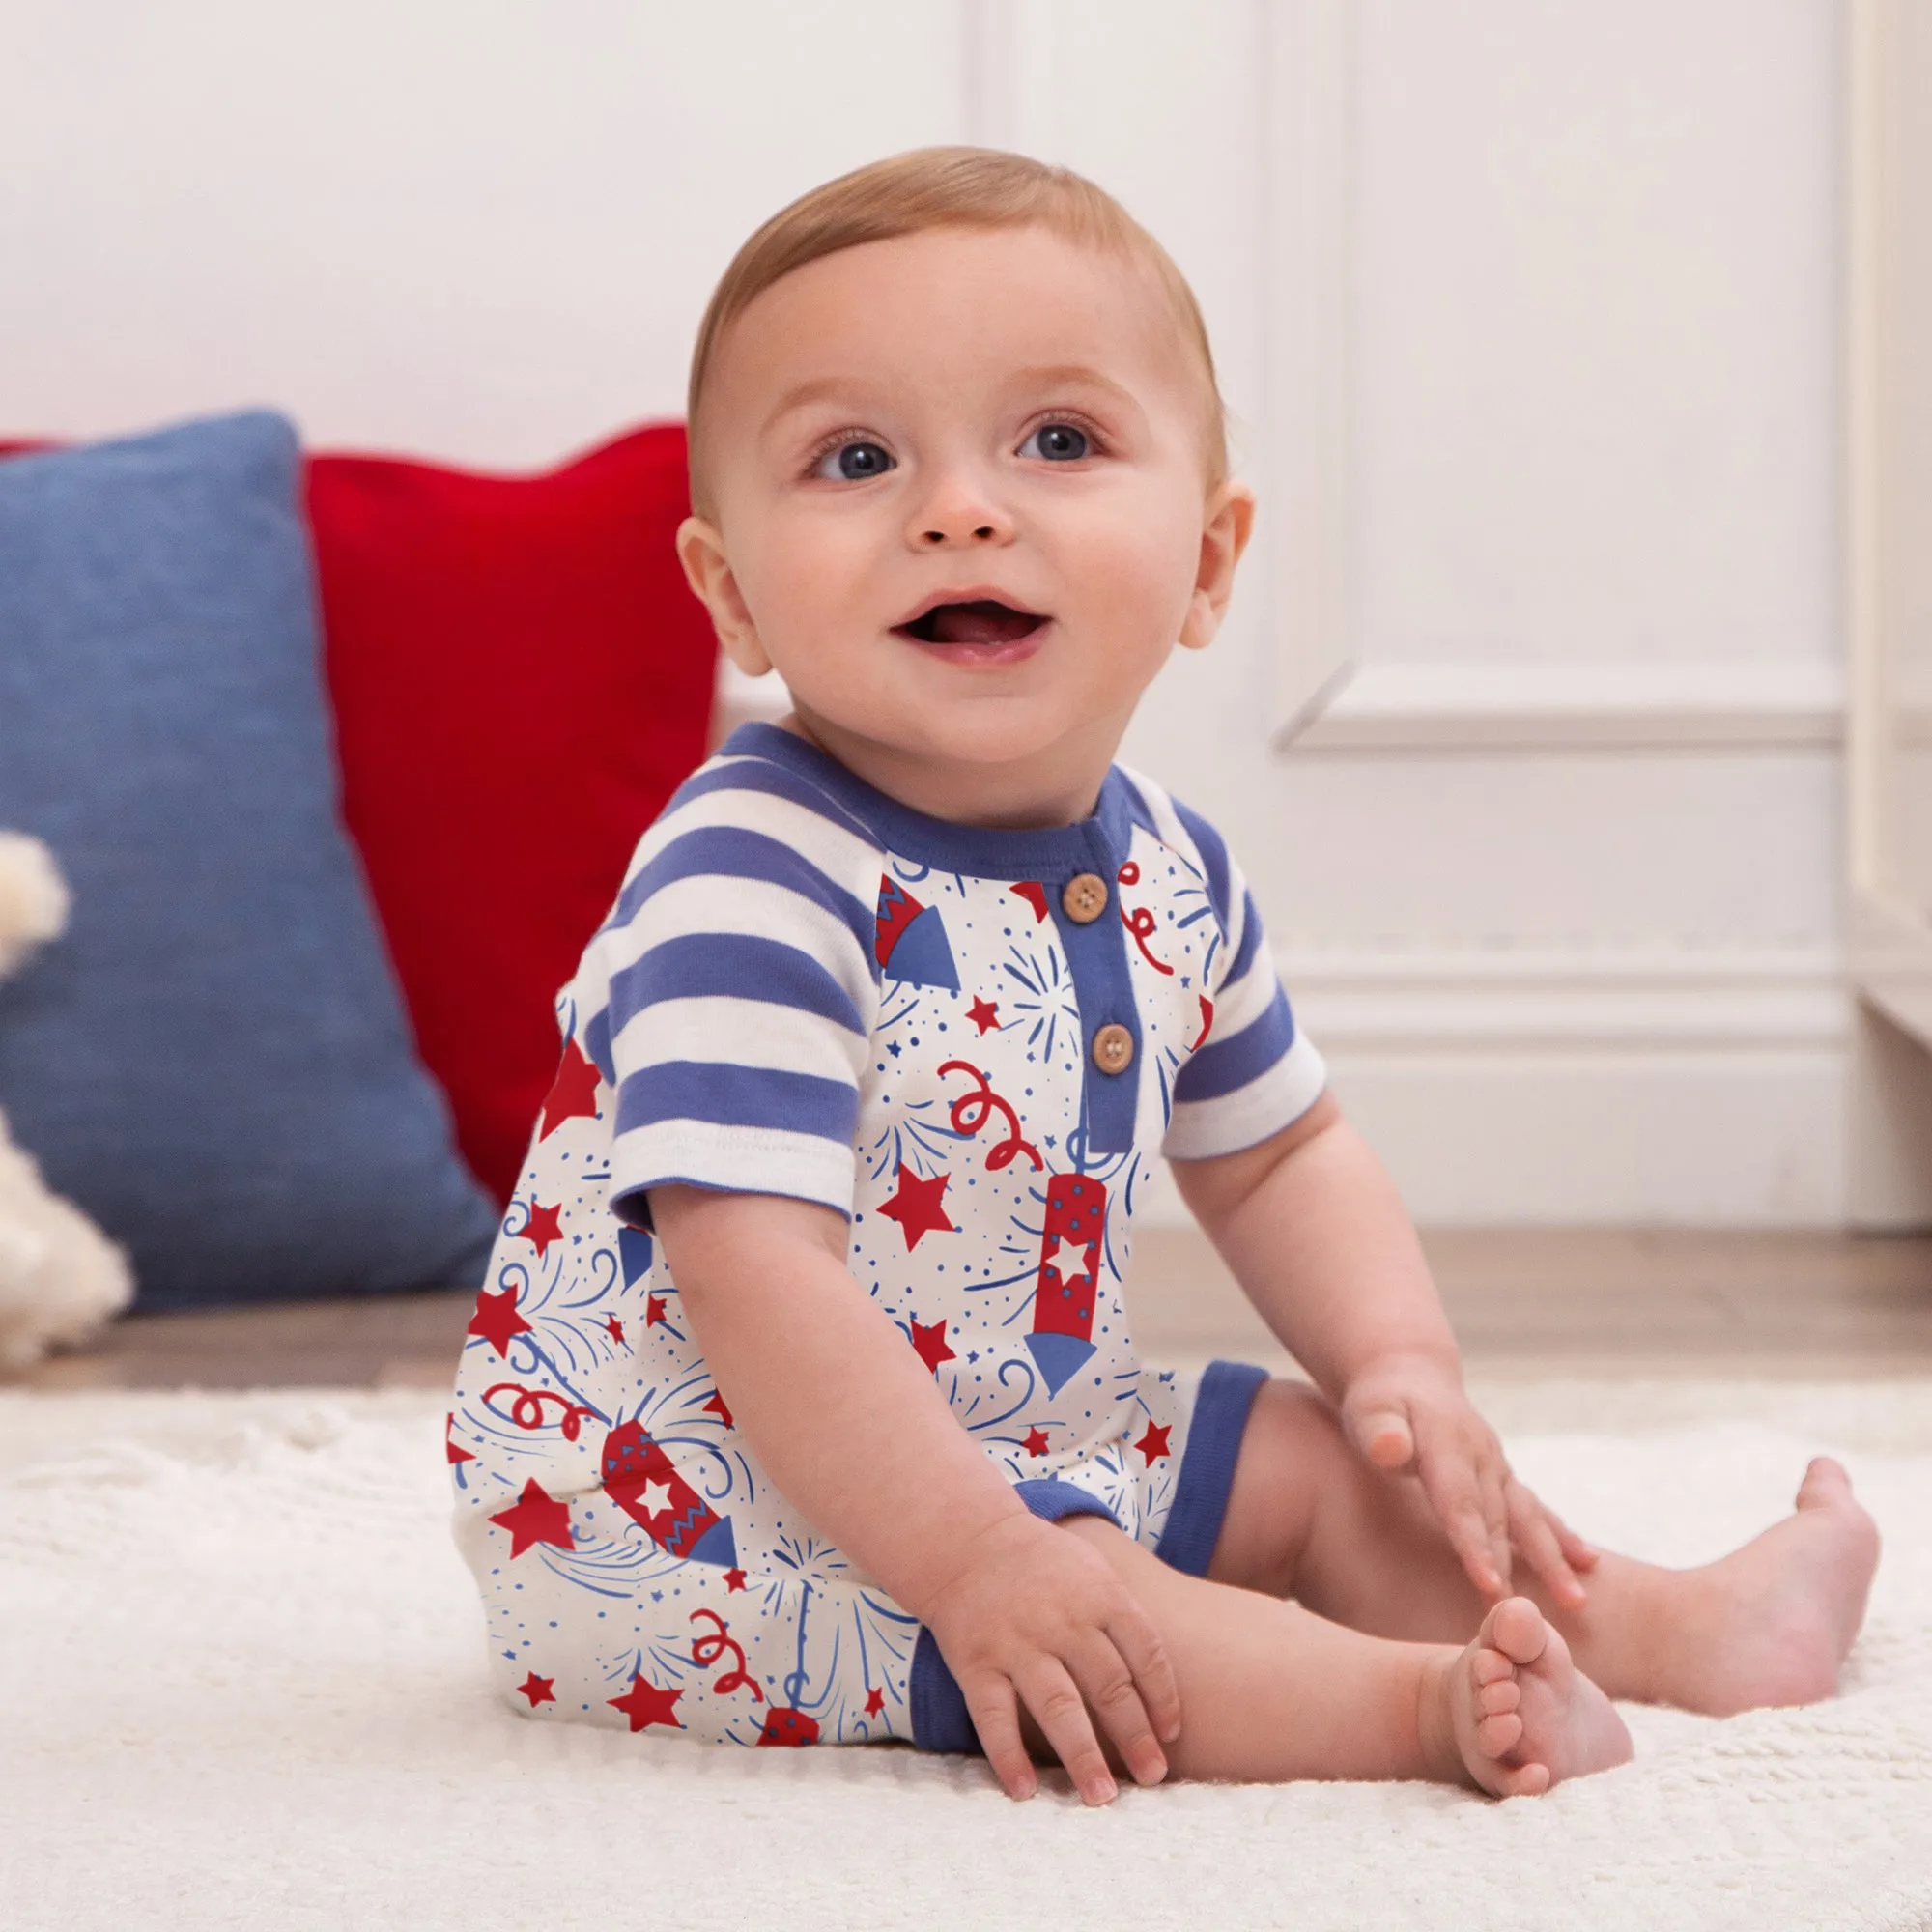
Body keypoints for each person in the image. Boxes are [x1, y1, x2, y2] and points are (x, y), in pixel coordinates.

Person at [449, 147, 1878, 1804]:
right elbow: (750, 1268)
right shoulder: (749, 874)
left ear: (1205, 563)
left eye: (1058, 441)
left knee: (1315, 1461)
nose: (960, 507)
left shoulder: (1170, 870)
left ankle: (1673, 1631)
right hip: (698, 1510)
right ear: (732, 595)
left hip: (1012, 1422)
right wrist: (981, 1559)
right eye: (856, 458)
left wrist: (1399, 1362)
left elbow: (1280, 1153)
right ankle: (1415, 1711)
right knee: (1094, 1612)